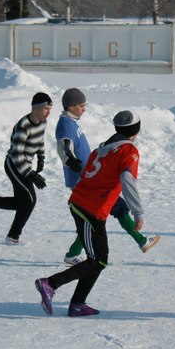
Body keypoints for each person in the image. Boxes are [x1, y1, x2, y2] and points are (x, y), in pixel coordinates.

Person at [35, 110, 150, 317]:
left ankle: (77, 304)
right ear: (137, 130)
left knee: (97, 259)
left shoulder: (102, 148)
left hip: (87, 205)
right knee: (98, 260)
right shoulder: (128, 151)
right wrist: (138, 212)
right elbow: (127, 179)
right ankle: (50, 283)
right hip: (89, 208)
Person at [55, 87, 159, 265]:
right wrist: (70, 161)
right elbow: (64, 145)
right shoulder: (65, 124)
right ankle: (141, 241)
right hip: (85, 181)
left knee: (106, 213)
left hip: (89, 179)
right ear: (71, 106)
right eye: (81, 105)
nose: (84, 109)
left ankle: (141, 241)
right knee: (100, 214)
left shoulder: (71, 122)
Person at [0, 92, 52, 245]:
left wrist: (41, 156)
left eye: (50, 109)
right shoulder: (23, 126)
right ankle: (12, 236)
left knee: (22, 202)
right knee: (29, 200)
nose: (48, 112)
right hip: (14, 165)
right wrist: (32, 175)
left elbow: (40, 139)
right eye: (46, 108)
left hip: (25, 165)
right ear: (36, 108)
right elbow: (16, 156)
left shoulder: (42, 122)